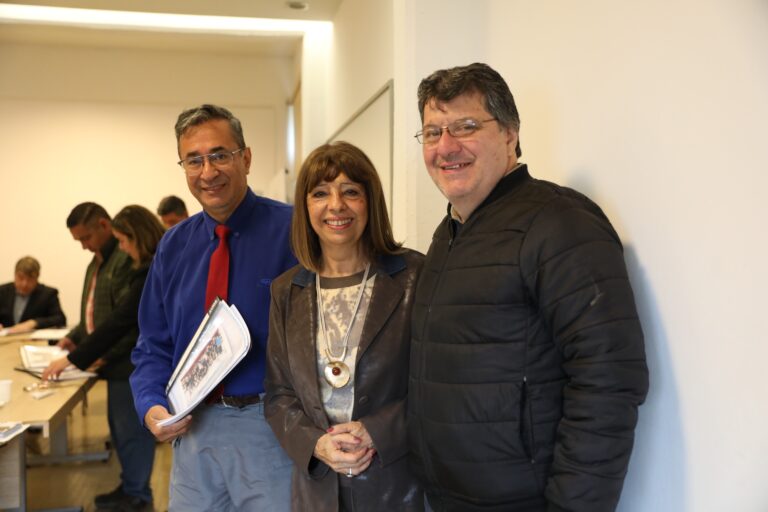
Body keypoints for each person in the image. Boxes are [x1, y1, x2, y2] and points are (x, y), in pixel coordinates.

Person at [407, 63, 649, 512]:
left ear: (510, 134)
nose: (446, 146)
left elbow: (608, 381)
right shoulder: (449, 234)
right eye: (433, 132)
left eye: (466, 126)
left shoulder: (560, 223)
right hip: (446, 497)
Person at [130, 104, 297, 511]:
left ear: (246, 158)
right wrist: (151, 405)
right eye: (194, 160)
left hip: (270, 428)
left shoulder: (296, 232)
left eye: (220, 155)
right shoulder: (173, 246)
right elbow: (152, 345)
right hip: (193, 431)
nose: (208, 172)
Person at [265, 142, 424, 511]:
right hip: (318, 488)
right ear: (305, 206)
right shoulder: (286, 290)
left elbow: (437, 385)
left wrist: (377, 431)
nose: (336, 205)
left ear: (371, 201)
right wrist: (316, 444)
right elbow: (278, 395)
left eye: (350, 191)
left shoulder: (416, 276)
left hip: (397, 484)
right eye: (320, 193)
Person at [43, 205, 163, 511]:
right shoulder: (96, 263)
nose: (84, 245)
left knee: (131, 432)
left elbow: (122, 320)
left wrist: (79, 358)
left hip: (126, 361)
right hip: (110, 362)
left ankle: (138, 494)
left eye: (86, 237)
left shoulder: (130, 264)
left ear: (103, 225)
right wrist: (76, 336)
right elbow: (93, 312)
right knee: (120, 430)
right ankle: (130, 485)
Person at [0, 256, 66, 334]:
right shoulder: (2, 291)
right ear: (15, 275)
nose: (24, 284)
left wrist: (34, 323)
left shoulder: (48, 294)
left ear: (37, 278)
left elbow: (60, 319)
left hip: (34, 339)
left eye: (30, 279)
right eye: (21, 278)